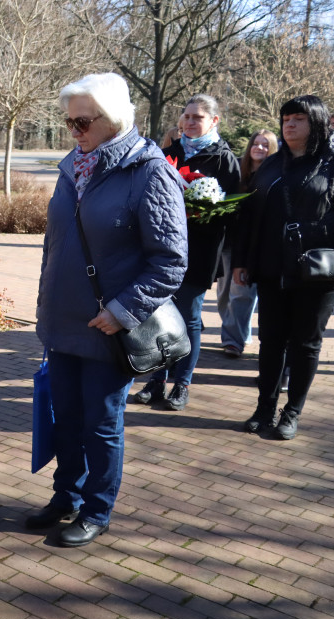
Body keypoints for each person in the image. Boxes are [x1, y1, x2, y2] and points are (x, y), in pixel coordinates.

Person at [32, 73, 187, 547]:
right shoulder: (71, 168)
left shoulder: (148, 171)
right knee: (66, 418)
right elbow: (55, 245)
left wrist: (122, 311)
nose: (74, 131)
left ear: (113, 118)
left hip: (108, 328)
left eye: (83, 121)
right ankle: (68, 495)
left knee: (100, 424)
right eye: (68, 122)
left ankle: (97, 509)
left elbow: (170, 260)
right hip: (64, 323)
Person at [233, 95, 334, 440]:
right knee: (271, 342)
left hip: (317, 271)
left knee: (306, 345)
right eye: (286, 119)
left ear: (318, 124)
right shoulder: (271, 165)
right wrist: (241, 262)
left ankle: (291, 411)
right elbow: (248, 215)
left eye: (299, 119)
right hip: (270, 268)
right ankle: (264, 407)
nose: (290, 125)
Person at [133, 94, 240, 410]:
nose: (190, 122)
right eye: (187, 116)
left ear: (214, 121)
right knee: (159, 317)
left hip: (200, 251)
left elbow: (233, 212)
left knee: (190, 318)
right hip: (162, 250)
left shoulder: (223, 159)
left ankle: (182, 384)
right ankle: (156, 381)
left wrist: (202, 211)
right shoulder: (168, 154)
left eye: (198, 117)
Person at [217, 130, 278, 357]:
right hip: (229, 240)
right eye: (256, 143)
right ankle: (239, 331)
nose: (259, 148)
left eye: (265, 145)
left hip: (254, 244)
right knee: (223, 294)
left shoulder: (273, 174)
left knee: (241, 293)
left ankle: (233, 340)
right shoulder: (238, 172)